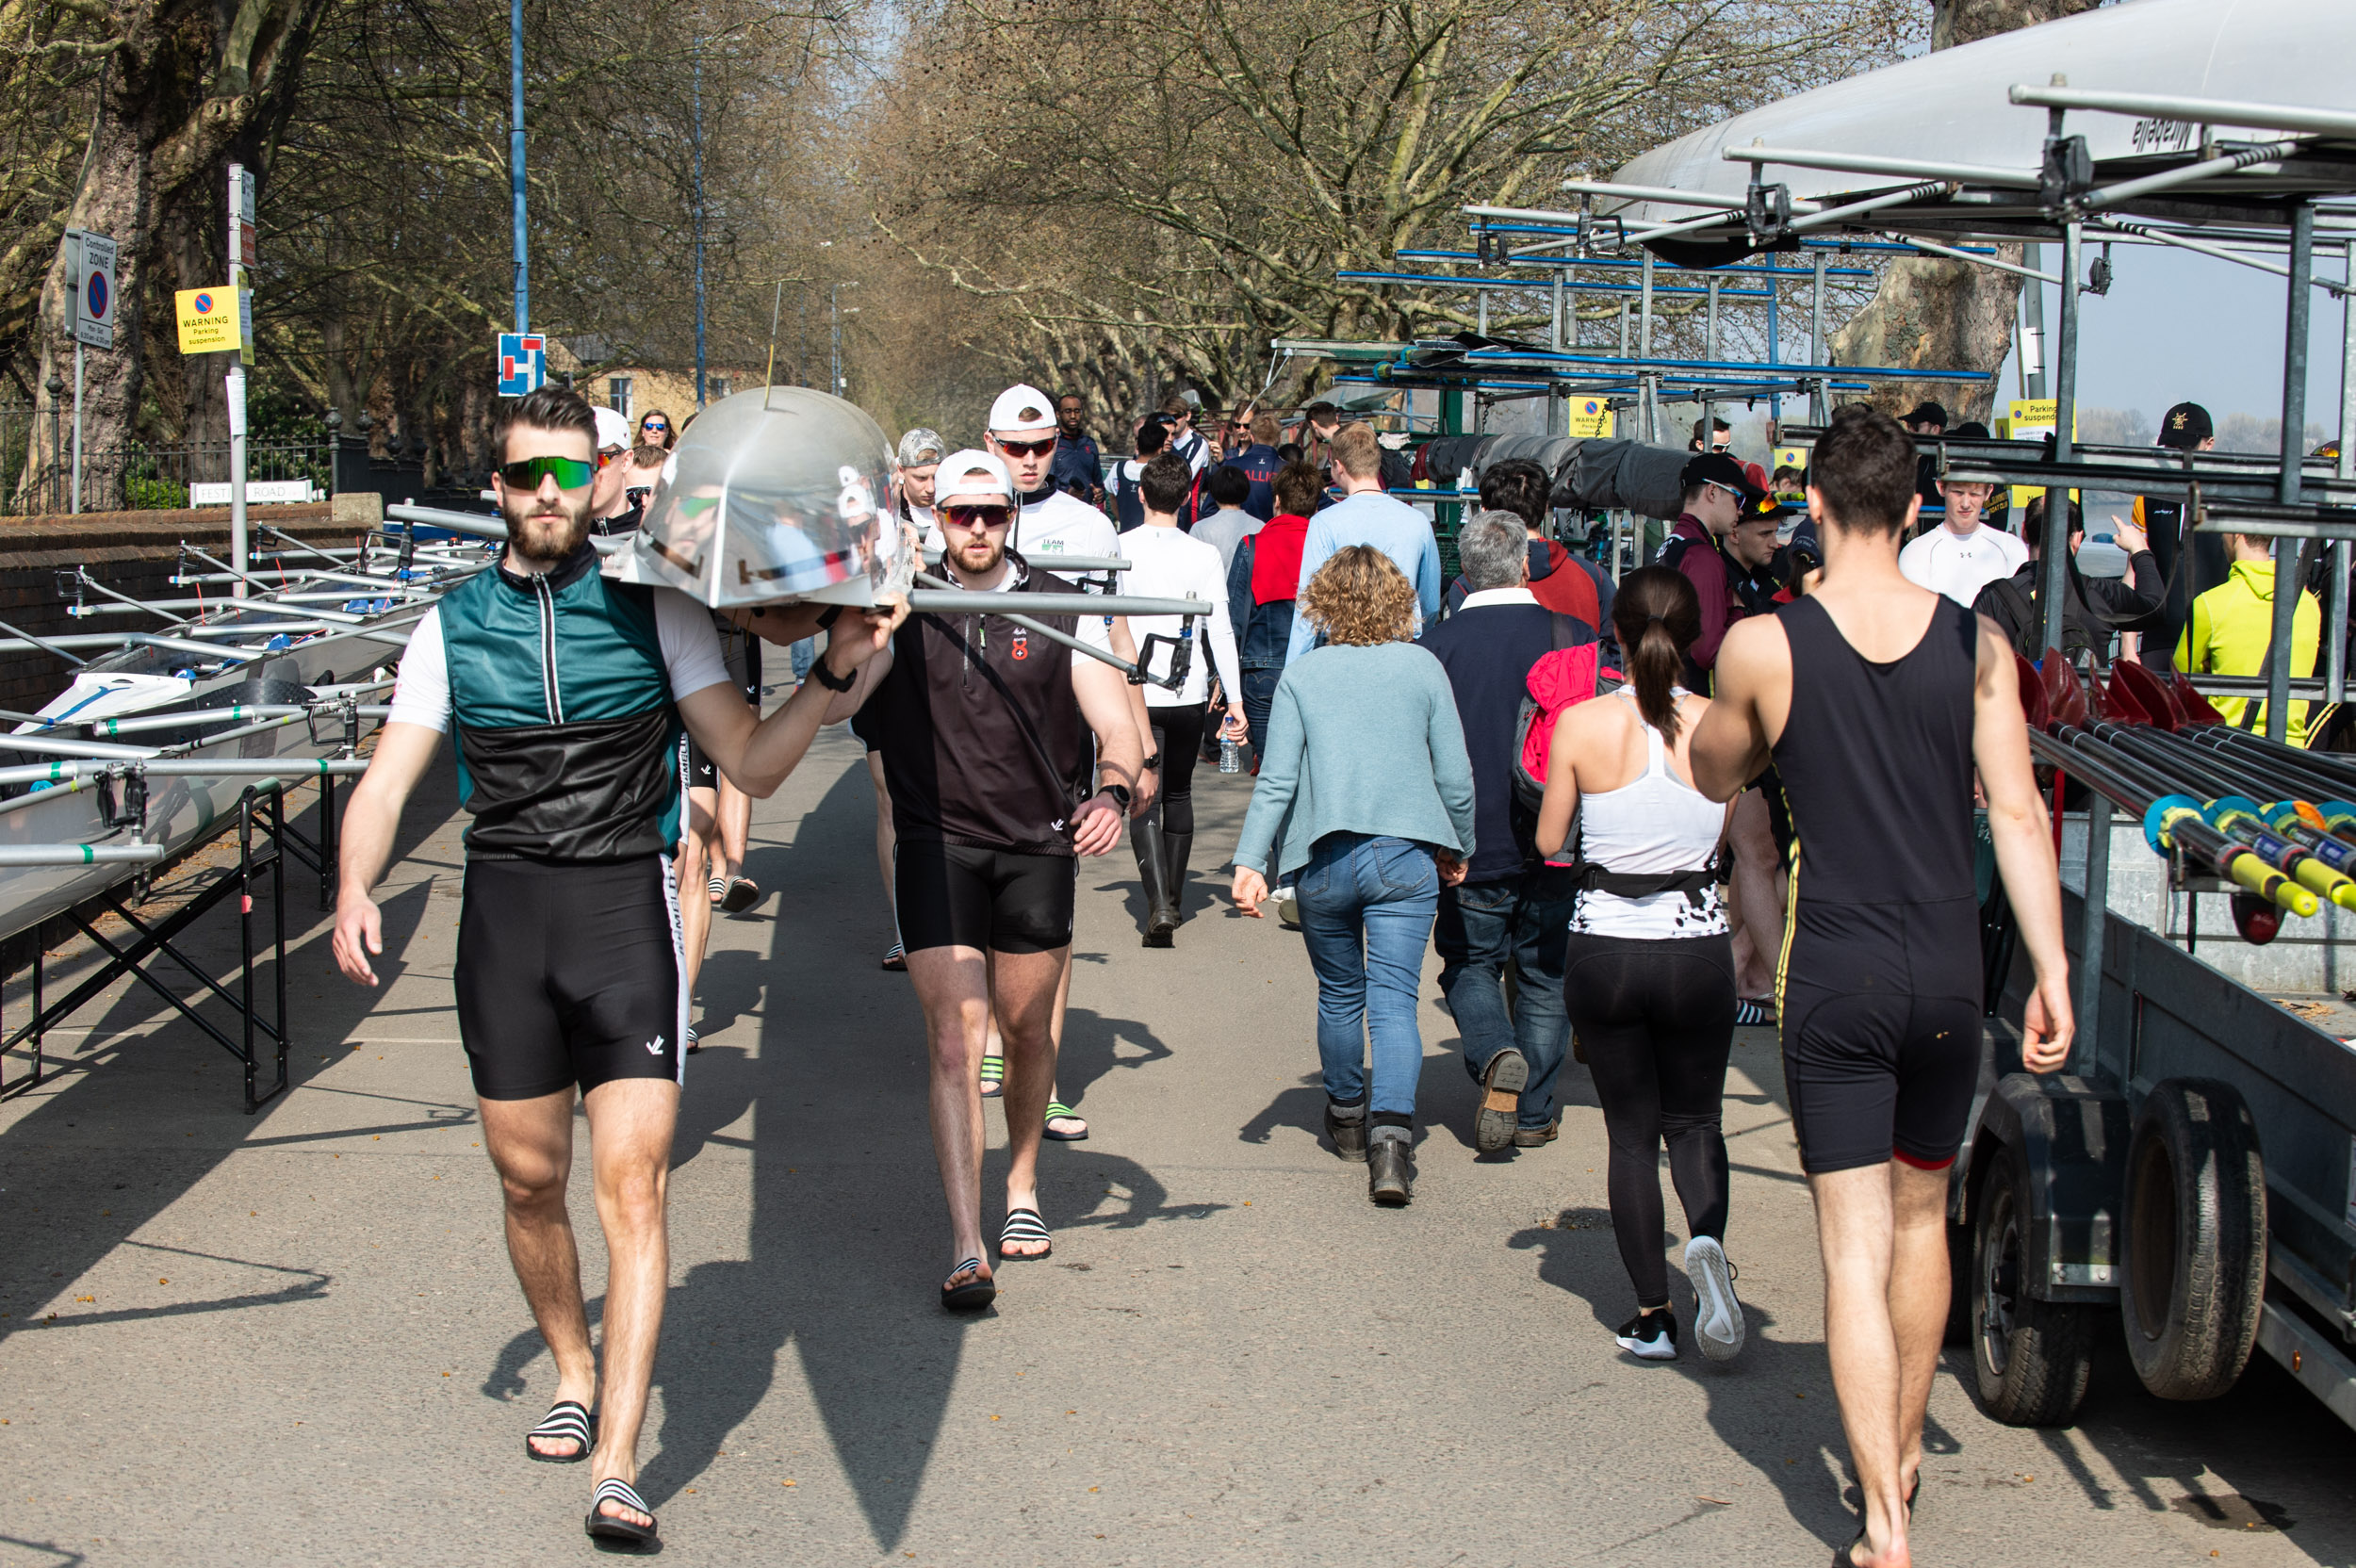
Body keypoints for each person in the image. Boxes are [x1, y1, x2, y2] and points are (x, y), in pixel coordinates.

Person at [330, 385, 898, 1548]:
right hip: (504, 923)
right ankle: (572, 1364)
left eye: (565, 472)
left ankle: (621, 1458)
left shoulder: (660, 609)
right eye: (525, 475)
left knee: (633, 1186)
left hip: (622, 917)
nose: (548, 493)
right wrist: (352, 883)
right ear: (496, 489)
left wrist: (835, 678)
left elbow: (748, 760)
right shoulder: (449, 626)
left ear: (597, 480)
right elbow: (387, 782)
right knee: (529, 1180)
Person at [1693, 403, 2072, 1568]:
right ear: (1914, 508)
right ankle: (1900, 1447)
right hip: (1949, 966)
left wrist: (1752, 737)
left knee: (1851, 1244)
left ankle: (1884, 1520)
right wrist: (2051, 970)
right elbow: (2014, 811)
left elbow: (1714, 766)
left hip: (1838, 963)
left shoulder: (1766, 642)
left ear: (1810, 504)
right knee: (1921, 1221)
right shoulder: (1980, 645)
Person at [825, 449, 1144, 1307]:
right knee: (956, 1038)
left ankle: (1024, 1188)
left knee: (1028, 1029)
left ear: (1012, 517)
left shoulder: (1057, 609)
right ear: (935, 517)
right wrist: (847, 642)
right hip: (939, 845)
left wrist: (1112, 791)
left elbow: (1119, 726)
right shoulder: (907, 606)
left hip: (1037, 845)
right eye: (959, 514)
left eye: (991, 515)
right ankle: (967, 1242)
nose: (974, 529)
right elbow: (839, 704)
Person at [1534, 565, 1742, 1363]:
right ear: (1695, 639)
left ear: (1613, 634)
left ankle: (1654, 1316)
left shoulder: (1583, 724)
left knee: (1630, 1136)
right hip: (1695, 945)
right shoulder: (1724, 725)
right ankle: (1709, 1241)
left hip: (1608, 943)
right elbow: (1727, 844)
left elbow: (1551, 843)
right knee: (1695, 1120)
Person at [1235, 546, 1474, 1205]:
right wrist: (1459, 845)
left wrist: (1251, 862)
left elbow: (1278, 778)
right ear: (1400, 600)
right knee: (1395, 1000)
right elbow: (1453, 775)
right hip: (1403, 855)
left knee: (1340, 993)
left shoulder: (1304, 677)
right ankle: (1391, 1140)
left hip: (1324, 858)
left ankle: (1345, 1114)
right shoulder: (1423, 668)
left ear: (1325, 604)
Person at [986, 383, 1159, 1141]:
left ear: (1061, 444)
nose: (1028, 461)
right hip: (971, 739)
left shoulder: (1089, 523)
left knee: (1046, 915)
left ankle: (1043, 1076)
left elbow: (1115, 637)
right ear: (989, 445)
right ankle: (991, 1044)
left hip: (1062, 739)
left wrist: (1140, 742)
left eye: (1041, 446)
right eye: (1014, 448)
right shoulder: (959, 512)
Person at [1417, 513, 1576, 1152]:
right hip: (1558, 834)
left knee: (1470, 964)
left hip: (1468, 839)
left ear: (1465, 568)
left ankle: (1492, 1049)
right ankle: (1534, 1110)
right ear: (1525, 562)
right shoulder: (1573, 636)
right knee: (1544, 974)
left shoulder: (1434, 648)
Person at [1121, 450, 1246, 944]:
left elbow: (1106, 622)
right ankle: (1170, 898)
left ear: (1142, 494)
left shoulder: (1119, 546)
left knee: (1140, 798)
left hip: (1135, 689)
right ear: (1187, 497)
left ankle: (1159, 904)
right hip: (1189, 689)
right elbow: (1222, 630)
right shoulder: (1202, 554)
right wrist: (1233, 699)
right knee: (1178, 792)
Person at [1284, 422, 1443, 664]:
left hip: (1343, 650)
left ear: (1338, 466)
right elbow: (1430, 603)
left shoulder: (1325, 522)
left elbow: (1308, 610)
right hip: (1400, 649)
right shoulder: (1417, 522)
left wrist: (1293, 669)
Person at [1972, 495, 2162, 667]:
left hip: (2016, 703)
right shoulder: (2100, 594)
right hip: (2081, 703)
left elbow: (1967, 657)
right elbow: (2156, 608)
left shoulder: (1994, 598)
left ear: (2024, 532)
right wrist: (2139, 550)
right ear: (2078, 538)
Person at [2175, 530, 2322, 744]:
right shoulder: (2307, 604)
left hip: (2229, 747)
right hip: (2292, 752)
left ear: (2235, 534)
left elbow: (2182, 680)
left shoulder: (2210, 604)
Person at [1442, 457, 1609, 632]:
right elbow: (1611, 650)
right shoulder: (1594, 576)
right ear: (1545, 508)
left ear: (1485, 512)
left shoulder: (1470, 583)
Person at [1227, 462, 1317, 761]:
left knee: (1271, 772)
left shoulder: (1252, 546)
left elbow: (1234, 618)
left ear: (1277, 500)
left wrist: (1223, 678)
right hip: (1315, 670)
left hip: (1261, 672)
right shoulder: (1328, 549)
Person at [1657, 451, 1761, 690]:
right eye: (1739, 499)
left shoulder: (1672, 543)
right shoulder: (1703, 557)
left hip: (1666, 690)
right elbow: (1708, 652)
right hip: (1692, 699)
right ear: (1712, 492)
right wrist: (1738, 611)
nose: (1741, 511)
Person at [2136, 400, 2220, 661]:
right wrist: (2128, 643)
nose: (2176, 457)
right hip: (2158, 637)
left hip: (2213, 639)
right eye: (2170, 447)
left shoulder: (2229, 498)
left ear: (2209, 444)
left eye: (2184, 448)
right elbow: (2137, 567)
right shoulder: (2148, 496)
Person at [1896, 474, 2025, 607]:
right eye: (1958, 493)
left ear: (1988, 492)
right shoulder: (1916, 551)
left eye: (1974, 494)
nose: (1965, 504)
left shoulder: (2011, 547)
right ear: (1941, 487)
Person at [1190, 464, 1263, 575]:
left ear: (1214, 492)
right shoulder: (1260, 527)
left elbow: (1193, 569)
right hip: (1249, 591)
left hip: (1212, 590)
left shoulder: (1201, 528)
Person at [1109, 416, 1167, 533]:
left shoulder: (1118, 469)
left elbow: (1112, 499)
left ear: (1137, 445)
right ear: (1160, 449)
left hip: (1125, 534)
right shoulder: (1162, 472)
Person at [1224, 408, 1284, 520]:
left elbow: (1210, 507)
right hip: (1274, 533)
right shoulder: (1289, 469)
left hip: (1239, 532)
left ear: (1252, 437)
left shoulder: (1231, 466)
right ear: (1279, 439)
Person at [1050, 391, 1104, 505]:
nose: (1073, 416)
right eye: (1068, 411)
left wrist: (1099, 493)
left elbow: (1098, 482)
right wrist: (1067, 492)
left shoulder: (1090, 444)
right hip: (1059, 509)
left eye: (1077, 411)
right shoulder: (1052, 444)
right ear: (1058, 414)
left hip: (1086, 511)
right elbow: (1047, 483)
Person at [898, 427, 945, 543]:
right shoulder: (889, 517)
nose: (930, 488)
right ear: (901, 471)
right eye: (921, 478)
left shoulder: (958, 512)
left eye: (936, 477)